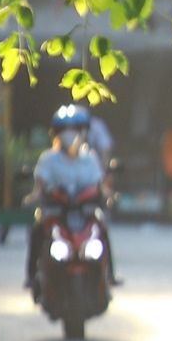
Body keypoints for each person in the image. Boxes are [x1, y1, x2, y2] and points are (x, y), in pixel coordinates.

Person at [25, 104, 112, 294]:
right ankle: (31, 276)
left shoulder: (90, 159)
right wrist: (34, 196)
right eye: (65, 130)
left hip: (84, 211)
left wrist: (107, 196)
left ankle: (110, 275)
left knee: (102, 226)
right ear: (56, 133)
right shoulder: (48, 159)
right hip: (56, 211)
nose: (70, 134)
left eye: (75, 129)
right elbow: (39, 187)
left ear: (84, 132)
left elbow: (100, 185)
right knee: (38, 229)